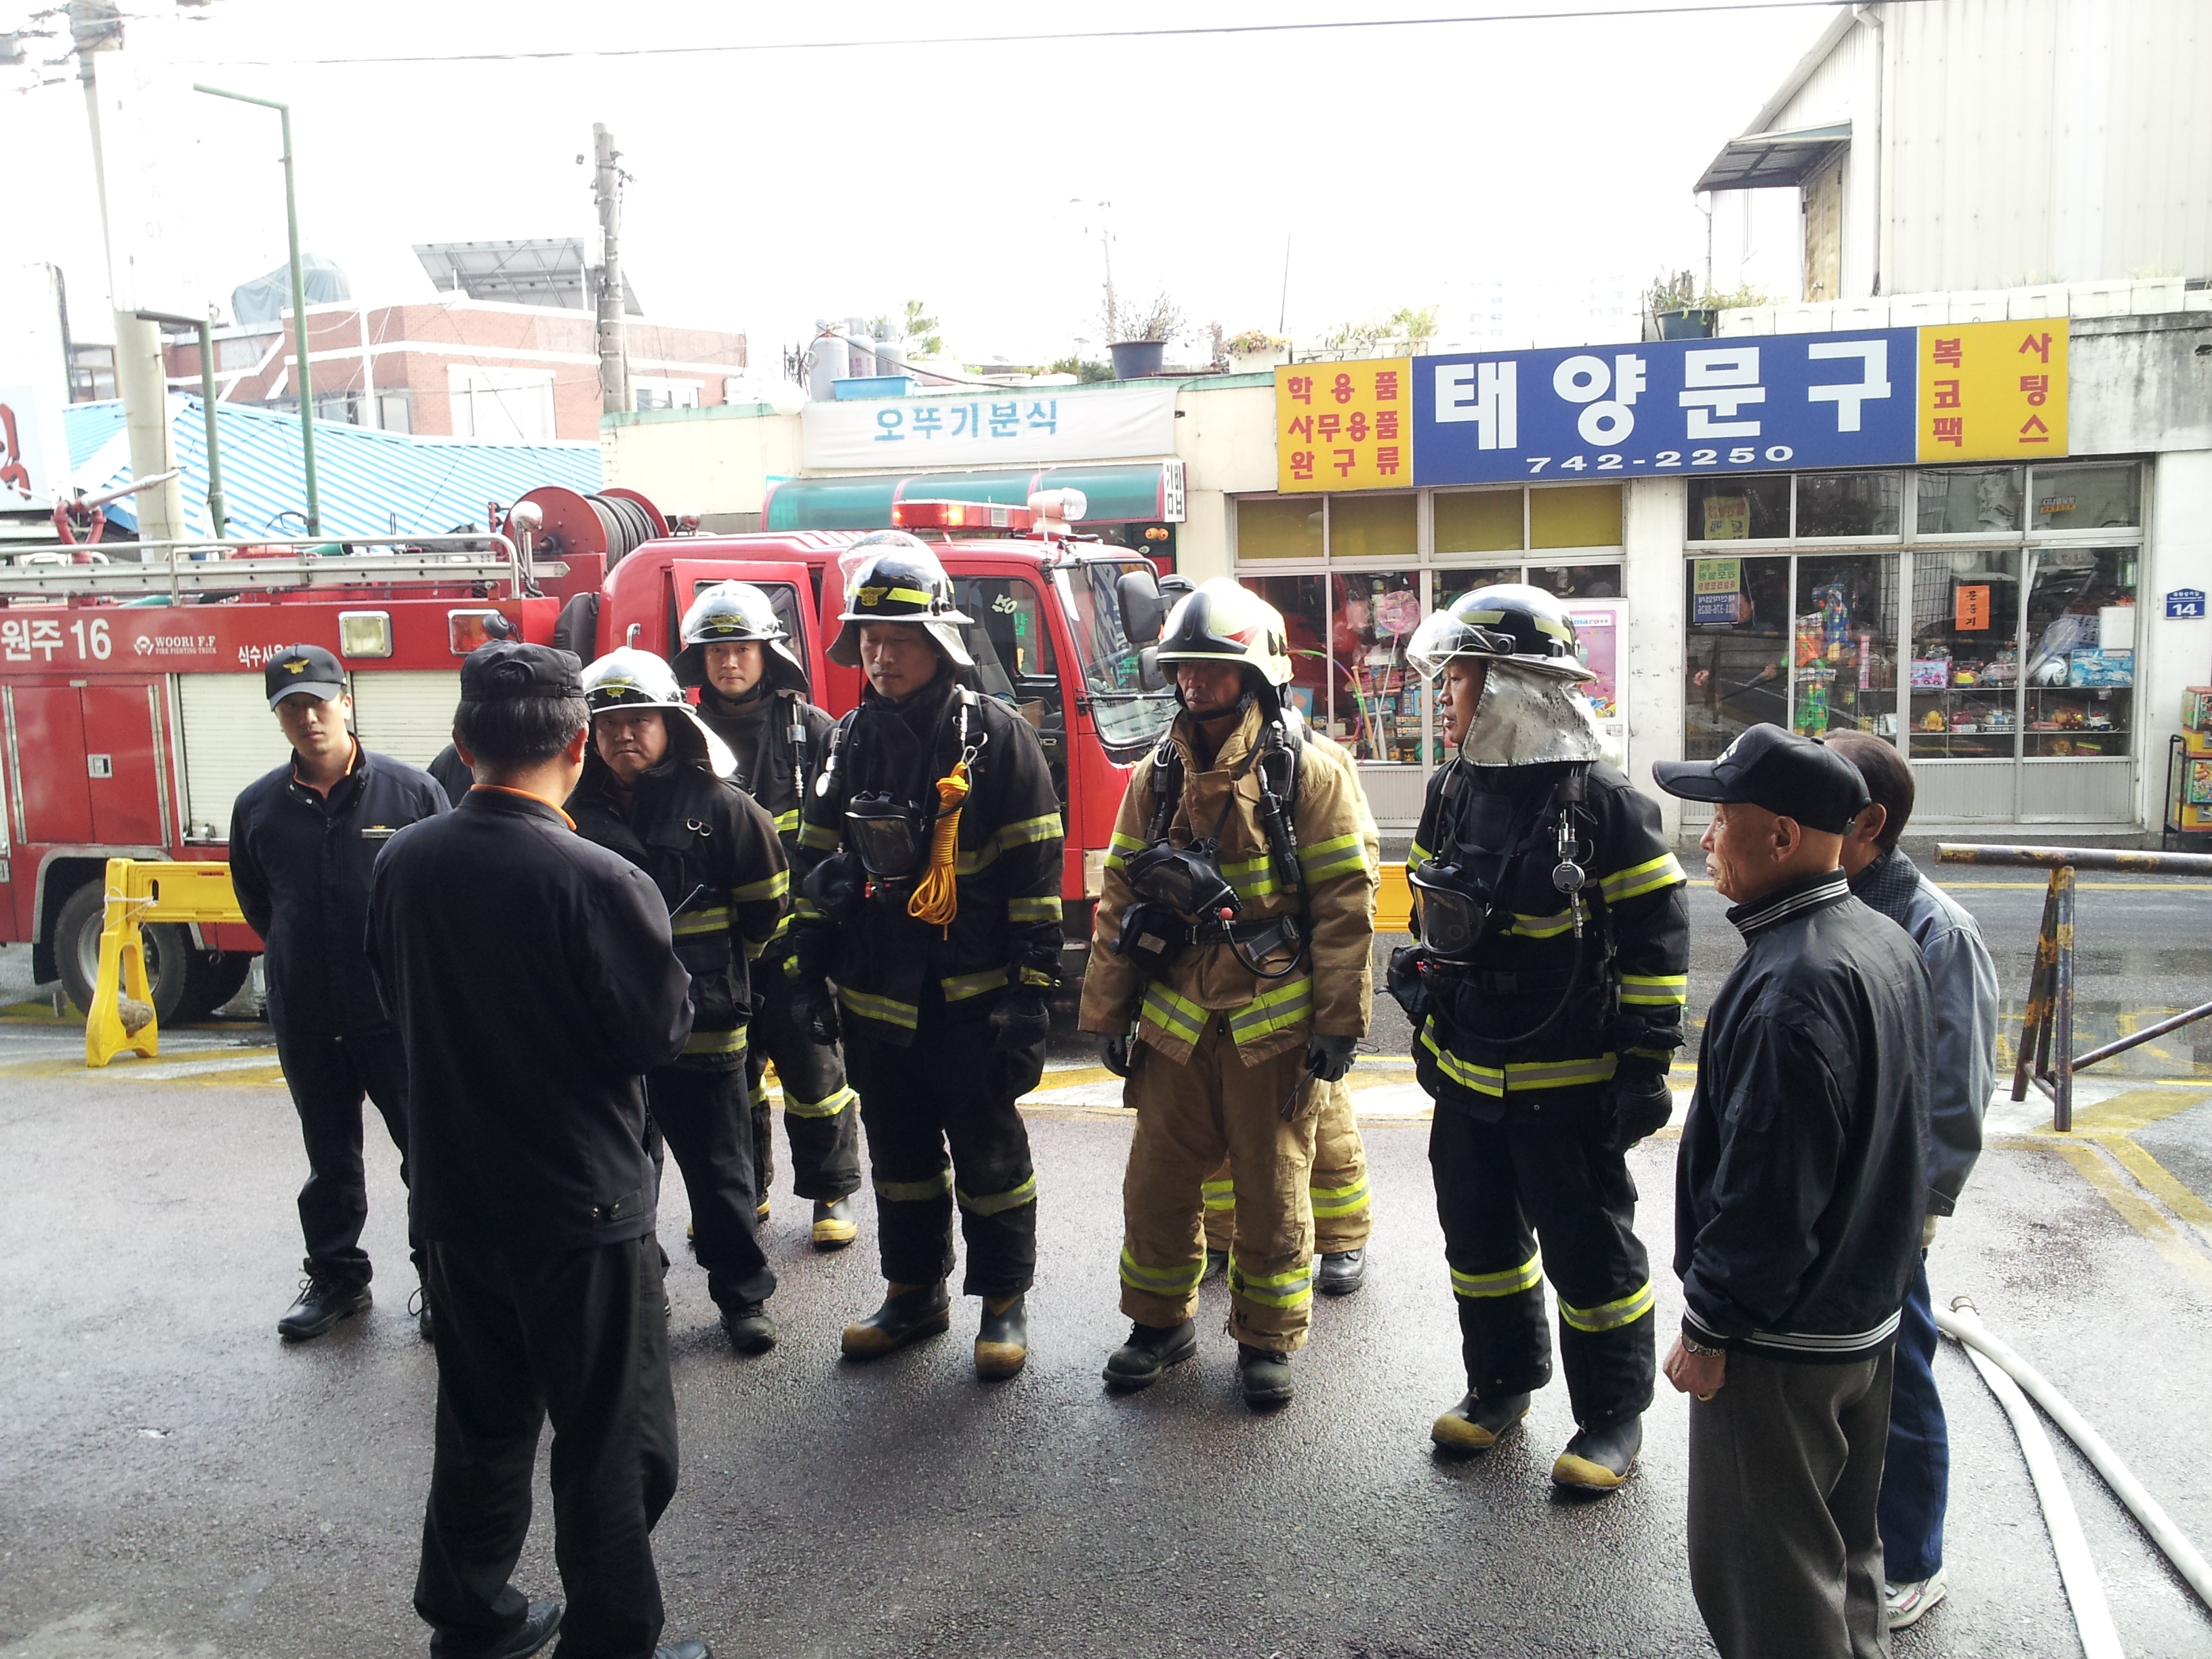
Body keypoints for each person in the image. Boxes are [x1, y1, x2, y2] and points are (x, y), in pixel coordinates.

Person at [367, 640, 710, 1659]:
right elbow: (657, 1035)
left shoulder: (402, 862)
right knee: (614, 1439)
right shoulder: (600, 877)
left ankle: (471, 1616)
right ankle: (612, 1641)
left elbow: (393, 998)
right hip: (579, 1207)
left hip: (456, 1198)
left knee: (482, 1419)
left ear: (463, 742)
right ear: (578, 746)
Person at [1390, 586, 1689, 1490]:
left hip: (1570, 1086)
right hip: (1468, 1076)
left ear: (1514, 687)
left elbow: (1657, 941)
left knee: (1590, 1257)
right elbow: (1431, 914)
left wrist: (1645, 1064)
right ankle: (1500, 1386)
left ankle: (1611, 1419)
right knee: (1480, 1247)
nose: (1445, 696)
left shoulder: (1604, 804)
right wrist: (1426, 998)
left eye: (1460, 678)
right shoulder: (1452, 790)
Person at [1653, 724, 1931, 1659]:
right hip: (1863, 1315)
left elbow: (1769, 1190)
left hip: (1781, 1341)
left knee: (1769, 1583)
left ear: (1780, 836)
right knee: (1845, 1558)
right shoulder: (1879, 939)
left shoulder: (1793, 985)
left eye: (1719, 817)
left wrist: (1711, 1330)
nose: (1704, 838)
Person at [1082, 579, 1378, 1409]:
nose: (1193, 681)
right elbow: (1118, 899)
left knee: (1273, 1189)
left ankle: (1266, 1340)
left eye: (1212, 666)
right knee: (1157, 1186)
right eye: (1184, 666)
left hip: (1269, 1028)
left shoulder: (1310, 772)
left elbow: (1345, 908)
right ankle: (1158, 1326)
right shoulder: (1157, 775)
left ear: (1256, 674)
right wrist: (1107, 1011)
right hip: (1175, 1026)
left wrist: (1340, 1024)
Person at [789, 533, 1062, 1380]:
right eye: (869, 641)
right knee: (900, 1158)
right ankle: (914, 1292)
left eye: (898, 641)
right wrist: (807, 966)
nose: (880, 657)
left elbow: (1035, 875)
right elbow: (814, 859)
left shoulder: (996, 738)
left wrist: (1030, 994)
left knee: (989, 1157)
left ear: (939, 643)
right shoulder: (846, 741)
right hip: (878, 997)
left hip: (969, 999)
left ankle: (1003, 1302)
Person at [568, 647, 792, 1353]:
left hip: (705, 1029)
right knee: (619, 1178)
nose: (623, 734)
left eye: (639, 719)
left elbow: (767, 911)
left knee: (722, 1177)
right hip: (604, 1038)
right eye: (607, 724)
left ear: (672, 723)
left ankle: (743, 1298)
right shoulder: (566, 813)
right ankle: (642, 1293)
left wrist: (715, 975)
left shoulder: (723, 808)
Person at [1824, 731, 1999, 1633]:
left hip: (1887, 1198)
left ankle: (1915, 1558)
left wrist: (1924, 1205)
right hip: (1826, 1190)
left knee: (1898, 1375)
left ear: (1869, 825)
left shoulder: (1938, 931)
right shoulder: (1824, 900)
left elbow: (1959, 1086)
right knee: (1836, 1374)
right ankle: (1847, 1537)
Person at [228, 644, 449, 1343]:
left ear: (345, 701)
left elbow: (442, 895)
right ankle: (337, 1278)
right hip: (308, 1016)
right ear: (278, 717)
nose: (308, 718)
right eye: (291, 707)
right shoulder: (258, 807)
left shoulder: (411, 794)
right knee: (329, 1159)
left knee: (429, 1153)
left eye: (318, 703)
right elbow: (261, 904)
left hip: (394, 1014)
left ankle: (443, 1279)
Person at [674, 581, 863, 1251]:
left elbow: (849, 831)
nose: (729, 662)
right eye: (716, 650)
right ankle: (745, 1191)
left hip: (794, 942)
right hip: (717, 948)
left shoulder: (812, 731)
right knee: (733, 1080)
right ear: (699, 660)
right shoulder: (680, 733)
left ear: (767, 654)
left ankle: (831, 1192)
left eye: (743, 648)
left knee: (816, 1074)